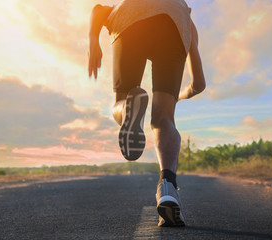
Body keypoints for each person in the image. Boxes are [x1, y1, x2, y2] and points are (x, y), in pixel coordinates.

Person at [88, 0, 205, 227]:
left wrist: (93, 40)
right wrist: (176, 96)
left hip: (130, 15)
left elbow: (98, 9)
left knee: (121, 101)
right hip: (174, 23)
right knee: (163, 120)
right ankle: (168, 187)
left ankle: (128, 107)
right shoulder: (185, 17)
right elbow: (198, 83)